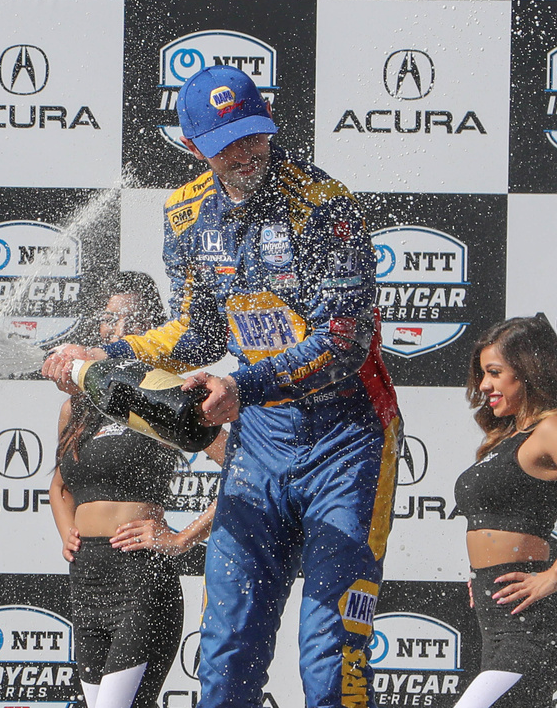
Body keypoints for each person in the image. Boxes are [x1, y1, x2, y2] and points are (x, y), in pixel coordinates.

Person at [43, 65, 402, 707]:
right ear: (194, 147)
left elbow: (346, 338)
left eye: (254, 135)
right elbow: (197, 332)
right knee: (227, 646)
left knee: (329, 650)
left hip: (348, 441)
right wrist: (110, 351)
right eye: (228, 143)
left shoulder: (325, 203)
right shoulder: (185, 211)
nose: (246, 153)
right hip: (261, 443)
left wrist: (247, 383)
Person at [49, 271, 220, 708]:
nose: (115, 327)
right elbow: (59, 485)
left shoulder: (164, 395)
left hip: (140, 577)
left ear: (153, 326)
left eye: (129, 317)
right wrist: (68, 529)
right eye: (109, 317)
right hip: (86, 578)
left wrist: (182, 538)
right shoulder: (78, 403)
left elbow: (249, 470)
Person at [452, 315, 557, 707]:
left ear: (528, 370)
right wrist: (485, 574)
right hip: (496, 629)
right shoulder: (505, 438)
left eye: (494, 372)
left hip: (529, 632)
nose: (483, 386)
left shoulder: (550, 430)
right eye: (482, 374)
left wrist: (551, 577)